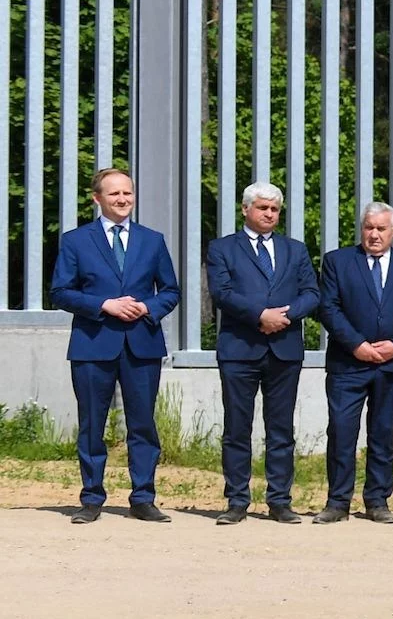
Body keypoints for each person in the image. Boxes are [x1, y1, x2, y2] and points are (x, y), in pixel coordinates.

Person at [48, 167, 181, 524]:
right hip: (94, 343)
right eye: (114, 194)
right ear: (97, 199)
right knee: (92, 423)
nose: (123, 200)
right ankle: (91, 498)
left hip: (142, 344)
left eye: (128, 193)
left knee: (142, 424)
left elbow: (170, 290)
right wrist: (102, 305)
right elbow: (60, 291)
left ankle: (143, 497)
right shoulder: (76, 241)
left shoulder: (151, 240)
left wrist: (149, 308)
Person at [204, 181, 319, 524]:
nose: (269, 214)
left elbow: (312, 292)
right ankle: (237, 500)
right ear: (245, 209)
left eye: (274, 209)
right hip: (240, 350)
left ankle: (280, 500)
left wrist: (285, 315)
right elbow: (221, 292)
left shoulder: (295, 250)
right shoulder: (223, 248)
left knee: (280, 429)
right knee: (237, 428)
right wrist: (259, 315)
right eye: (263, 208)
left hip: (284, 350)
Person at [315, 201, 393, 524]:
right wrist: (357, 345)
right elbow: (329, 309)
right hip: (347, 364)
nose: (374, 235)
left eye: (381, 229)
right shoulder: (337, 262)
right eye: (368, 228)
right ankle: (338, 502)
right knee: (341, 431)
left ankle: (377, 500)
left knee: (383, 433)